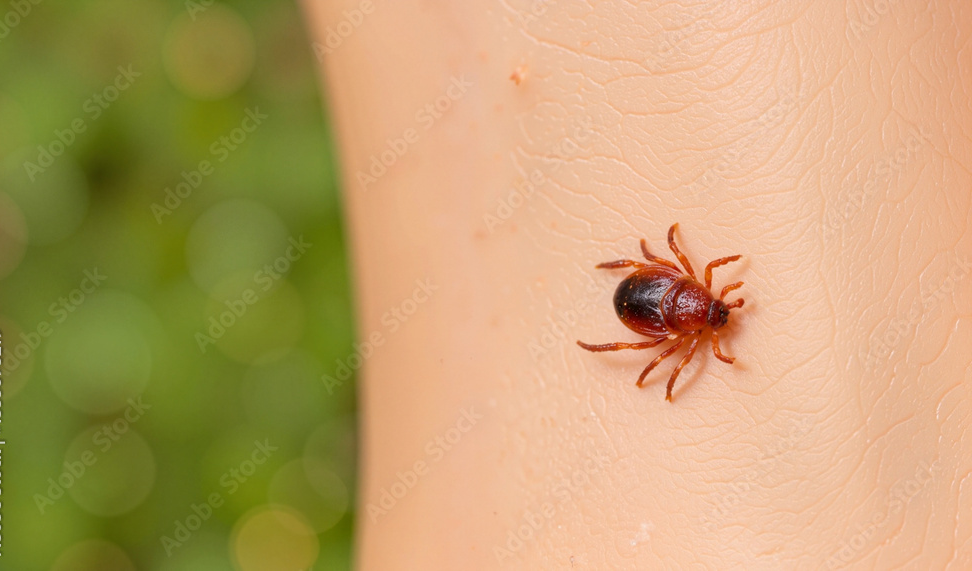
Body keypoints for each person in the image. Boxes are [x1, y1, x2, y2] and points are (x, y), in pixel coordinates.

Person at [301, 0, 971, 567]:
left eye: (713, 307)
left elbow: (668, 271)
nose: (716, 309)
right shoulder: (688, 318)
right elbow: (668, 317)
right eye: (714, 308)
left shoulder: (688, 299)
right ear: (703, 301)